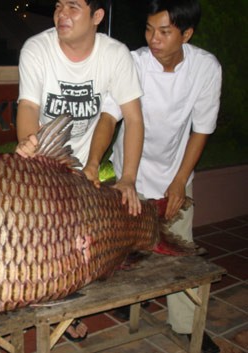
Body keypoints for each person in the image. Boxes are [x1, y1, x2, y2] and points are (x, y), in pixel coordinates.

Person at [15, 0, 145, 341]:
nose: (62, 15)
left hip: (85, 165)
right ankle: (47, 307)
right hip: (43, 160)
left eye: (73, 7)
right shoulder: (37, 49)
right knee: (38, 242)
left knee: (78, 247)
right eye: (58, 5)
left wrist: (128, 177)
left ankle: (65, 307)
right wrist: (30, 144)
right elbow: (28, 105)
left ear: (97, 16)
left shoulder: (116, 55)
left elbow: (131, 118)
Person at [100, 1, 222, 352]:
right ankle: (130, 299)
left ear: (186, 34)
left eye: (164, 32)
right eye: (149, 29)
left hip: (175, 170)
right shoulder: (133, 63)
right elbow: (110, 117)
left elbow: (201, 129)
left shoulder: (205, 68)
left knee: (179, 252)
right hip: (131, 174)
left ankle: (184, 325)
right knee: (128, 246)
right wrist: (105, 167)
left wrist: (181, 179)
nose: (153, 39)